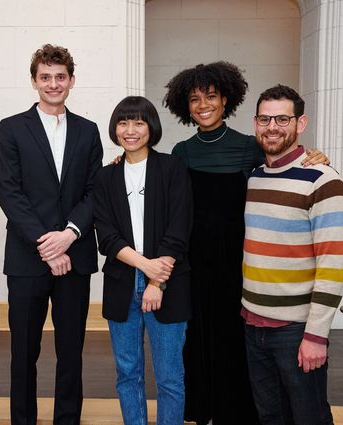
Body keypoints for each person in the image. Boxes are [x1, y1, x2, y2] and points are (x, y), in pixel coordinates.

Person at [163, 61, 328, 425]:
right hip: (195, 265)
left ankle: (236, 414)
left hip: (240, 265)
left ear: (226, 100)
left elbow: (280, 167)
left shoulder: (248, 146)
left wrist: (313, 155)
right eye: (194, 99)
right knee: (197, 341)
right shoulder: (181, 152)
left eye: (210, 96)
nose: (202, 105)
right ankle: (203, 409)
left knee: (236, 344)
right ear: (185, 106)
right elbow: (165, 195)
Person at [0, 44, 103, 425]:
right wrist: (48, 244)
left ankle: (67, 420)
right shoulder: (11, 128)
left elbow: (95, 191)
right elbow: (9, 191)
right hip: (28, 259)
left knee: (71, 352)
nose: (53, 83)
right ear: (34, 81)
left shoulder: (88, 131)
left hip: (75, 256)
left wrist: (69, 234)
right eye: (45, 77)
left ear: (71, 81)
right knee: (23, 352)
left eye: (60, 77)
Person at [242, 84, 343, 425]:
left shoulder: (324, 180)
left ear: (300, 123)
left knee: (310, 417)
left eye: (282, 119)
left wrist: (316, 336)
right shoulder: (256, 176)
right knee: (270, 416)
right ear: (255, 123)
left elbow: (332, 266)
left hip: (296, 330)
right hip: (253, 324)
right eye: (265, 118)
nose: (272, 126)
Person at [94, 96, 193, 424]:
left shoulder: (171, 168)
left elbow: (179, 228)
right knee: (127, 374)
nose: (130, 130)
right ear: (115, 129)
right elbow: (106, 236)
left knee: (169, 378)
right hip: (122, 283)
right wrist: (145, 266)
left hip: (167, 283)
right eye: (123, 122)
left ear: (151, 126)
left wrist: (156, 279)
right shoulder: (106, 177)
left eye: (138, 122)